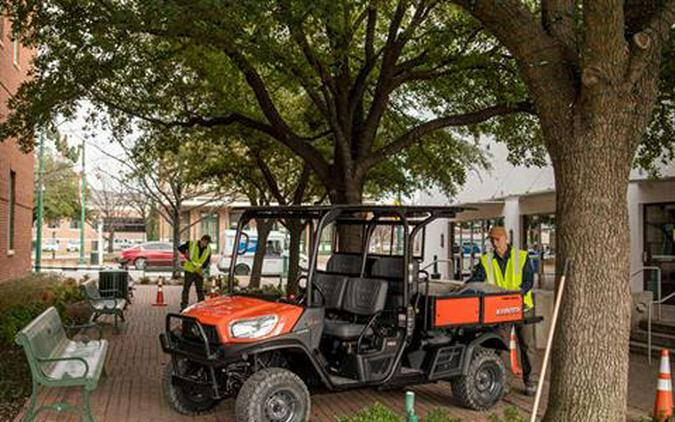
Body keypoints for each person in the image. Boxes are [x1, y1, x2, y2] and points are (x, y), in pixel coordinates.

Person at [468, 226, 538, 396]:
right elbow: (477, 279)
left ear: (506, 239)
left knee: (528, 345)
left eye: (497, 239)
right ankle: (504, 383)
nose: (494, 243)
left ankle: (531, 382)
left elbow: (529, 280)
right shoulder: (486, 260)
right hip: (500, 310)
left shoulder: (521, 257)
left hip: (522, 307)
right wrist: (463, 287)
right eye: (492, 240)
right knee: (502, 346)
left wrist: (518, 294)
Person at [178, 234, 212, 311]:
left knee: (200, 290)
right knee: (186, 289)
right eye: (206, 242)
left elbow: (206, 262)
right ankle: (184, 306)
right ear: (202, 240)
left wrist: (203, 270)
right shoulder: (191, 244)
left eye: (208, 243)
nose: (206, 244)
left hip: (198, 272)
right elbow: (180, 248)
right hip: (189, 270)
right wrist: (185, 252)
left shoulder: (208, 249)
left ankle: (202, 305)